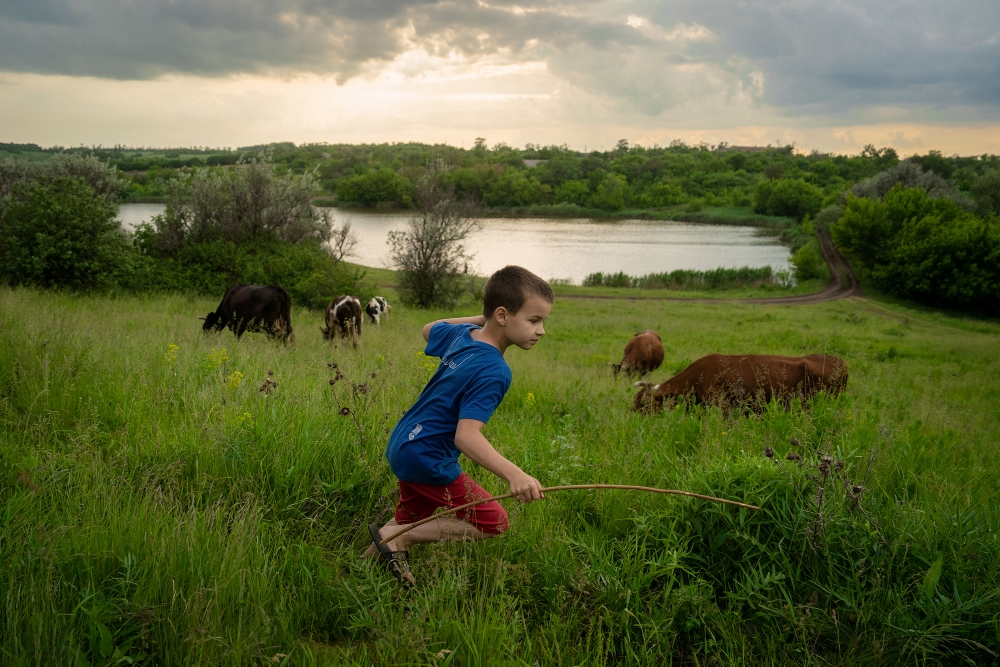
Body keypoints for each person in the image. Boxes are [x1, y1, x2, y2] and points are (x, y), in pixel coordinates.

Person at [364, 265, 554, 585]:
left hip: (405, 443)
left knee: (407, 518)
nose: (541, 330)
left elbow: (429, 329)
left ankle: (361, 569)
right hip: (428, 456)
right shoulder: (495, 370)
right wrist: (515, 474)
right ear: (504, 315)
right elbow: (466, 437)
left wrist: (483, 320)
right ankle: (399, 539)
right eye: (534, 320)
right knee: (493, 522)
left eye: (543, 322)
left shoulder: (461, 335)